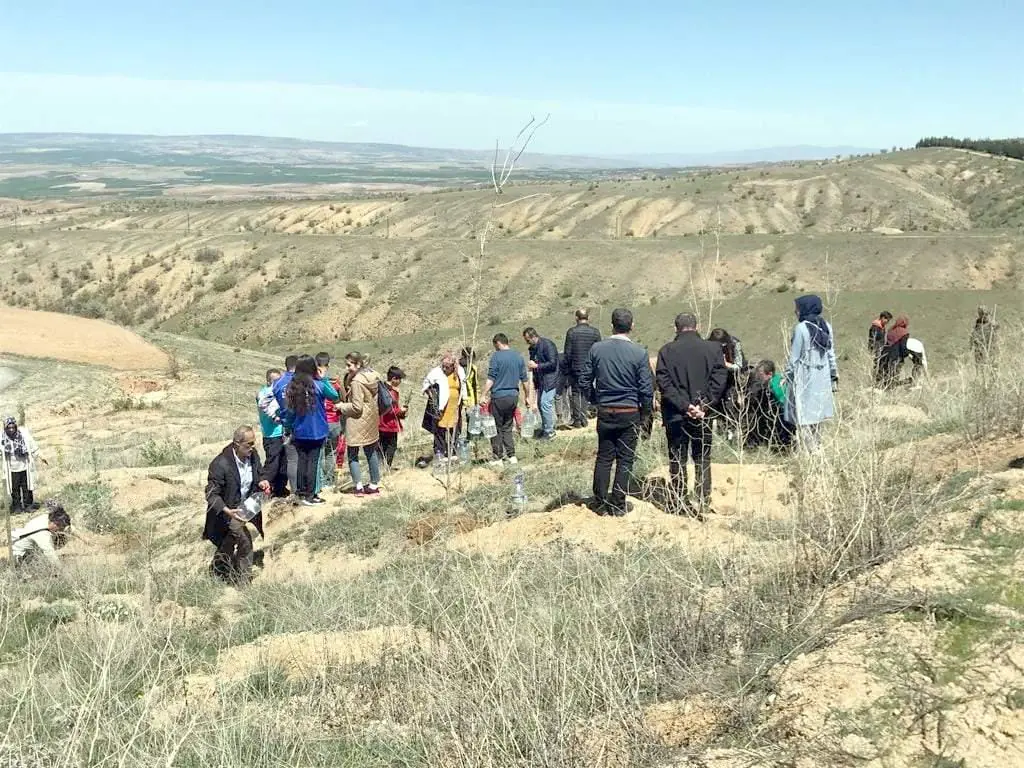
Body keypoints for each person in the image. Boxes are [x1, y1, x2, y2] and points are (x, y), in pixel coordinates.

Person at [580, 308, 654, 516]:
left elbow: (584, 380)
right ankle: (618, 503)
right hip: (630, 410)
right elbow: (646, 389)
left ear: (612, 325)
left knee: (604, 457)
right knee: (625, 459)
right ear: (632, 326)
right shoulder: (639, 352)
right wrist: (645, 413)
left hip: (605, 410)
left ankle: (600, 501)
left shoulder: (597, 349)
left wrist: (596, 400)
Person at [655, 313, 727, 515]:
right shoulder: (713, 349)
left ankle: (679, 501)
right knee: (702, 457)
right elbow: (720, 379)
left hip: (676, 414)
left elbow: (665, 384)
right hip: (703, 415)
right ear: (698, 326)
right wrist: (702, 405)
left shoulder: (666, 351)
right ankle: (703, 500)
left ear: (675, 327)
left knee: (677, 458)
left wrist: (685, 406)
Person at [203, 426, 271, 585]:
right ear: (236, 444)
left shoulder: (252, 455)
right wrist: (227, 510)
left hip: (247, 507)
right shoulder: (220, 464)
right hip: (228, 511)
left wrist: (262, 480)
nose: (252, 447)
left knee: (229, 541)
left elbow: (259, 473)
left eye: (254, 443)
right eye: (248, 444)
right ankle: (243, 583)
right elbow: (211, 493)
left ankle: (219, 569)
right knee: (245, 542)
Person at [282, 355, 340, 506]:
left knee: (302, 461)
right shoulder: (318, 385)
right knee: (313, 462)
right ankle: (311, 495)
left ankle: (301, 493)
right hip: (317, 430)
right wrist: (324, 379)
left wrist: (288, 427)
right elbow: (334, 395)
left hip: (299, 430)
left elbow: (290, 412)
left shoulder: (293, 386)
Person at [784, 295, 838, 452]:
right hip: (823, 376)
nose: (795, 311)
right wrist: (834, 374)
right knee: (817, 414)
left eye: (798, 308)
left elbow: (794, 358)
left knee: (804, 414)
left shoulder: (801, 329)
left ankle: (808, 451)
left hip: (805, 375)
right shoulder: (826, 326)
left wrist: (788, 376)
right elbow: (830, 353)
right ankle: (817, 447)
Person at [336, 352, 384, 496]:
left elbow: (357, 407)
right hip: (371, 419)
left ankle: (358, 487)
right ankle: (374, 484)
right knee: (371, 452)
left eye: (349, 365)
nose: (347, 368)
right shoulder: (373, 376)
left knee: (352, 454)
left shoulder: (357, 382)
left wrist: (341, 406)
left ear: (358, 364)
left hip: (357, 421)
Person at [481, 333, 531, 466]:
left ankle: (497, 457)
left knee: (496, 427)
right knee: (508, 426)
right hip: (513, 397)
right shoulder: (518, 357)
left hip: (499, 396)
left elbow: (491, 378)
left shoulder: (496, 357)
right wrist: (527, 397)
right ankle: (511, 455)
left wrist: (483, 394)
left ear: (498, 343)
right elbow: (525, 380)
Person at [421, 353, 467, 465]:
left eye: (448, 367)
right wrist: (432, 395)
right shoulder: (436, 372)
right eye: (444, 366)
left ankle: (453, 452)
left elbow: (464, 386)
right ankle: (439, 452)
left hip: (455, 405)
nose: (445, 369)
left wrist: (465, 400)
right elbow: (426, 384)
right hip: (441, 406)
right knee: (440, 429)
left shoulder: (460, 372)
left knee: (454, 429)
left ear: (453, 366)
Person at [562, 308, 602, 428]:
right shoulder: (595, 332)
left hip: (576, 367)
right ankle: (584, 418)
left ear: (576, 318)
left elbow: (567, 353)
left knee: (575, 392)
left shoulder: (571, 332)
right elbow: (599, 351)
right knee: (586, 390)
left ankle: (578, 420)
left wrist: (566, 368)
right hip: (590, 367)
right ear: (588, 318)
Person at [706, 328, 745, 441]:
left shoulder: (734, 344)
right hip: (713, 381)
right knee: (713, 408)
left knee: (730, 408)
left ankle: (730, 437)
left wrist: (725, 364)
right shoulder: (707, 345)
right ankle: (716, 437)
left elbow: (739, 366)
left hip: (731, 380)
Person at [11, 499, 71, 570]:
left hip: (31, 545)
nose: (59, 530)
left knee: (63, 534)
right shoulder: (42, 534)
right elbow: (51, 554)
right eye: (59, 528)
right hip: (20, 554)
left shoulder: (50, 518)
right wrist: (64, 572)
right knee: (43, 567)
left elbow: (72, 529)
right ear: (55, 523)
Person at [745, 360, 792, 449]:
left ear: (769, 374)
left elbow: (782, 402)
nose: (758, 376)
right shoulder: (774, 380)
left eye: (761, 374)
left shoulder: (775, 385)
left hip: (784, 415)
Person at [523, 327, 559, 440]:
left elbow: (553, 363)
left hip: (551, 379)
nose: (527, 343)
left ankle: (550, 432)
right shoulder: (532, 349)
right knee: (540, 404)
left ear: (534, 336)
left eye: (528, 340)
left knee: (545, 404)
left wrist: (537, 366)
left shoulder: (547, 345)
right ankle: (545, 428)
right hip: (540, 380)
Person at [256, 369, 288, 498]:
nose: (278, 383)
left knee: (283, 463)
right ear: (268, 380)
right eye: (275, 380)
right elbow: (265, 406)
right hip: (271, 434)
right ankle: (265, 487)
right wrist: (277, 417)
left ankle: (280, 489)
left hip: (282, 432)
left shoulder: (277, 391)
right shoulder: (264, 393)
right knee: (272, 464)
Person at [2, 416, 44, 513]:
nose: (11, 429)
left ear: (16, 426)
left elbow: (33, 446)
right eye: (9, 428)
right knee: (14, 488)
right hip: (12, 468)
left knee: (27, 487)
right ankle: (17, 506)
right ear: (6, 428)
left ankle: (28, 505)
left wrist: (41, 456)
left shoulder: (23, 435)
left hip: (25, 466)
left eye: (13, 427)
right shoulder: (2, 438)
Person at [272, 354, 300, 496]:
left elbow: (269, 399)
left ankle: (295, 491)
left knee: (292, 460)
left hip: (286, 425)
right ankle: (307, 489)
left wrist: (276, 415)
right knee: (307, 458)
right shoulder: (301, 381)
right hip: (302, 423)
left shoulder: (277, 383)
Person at [316, 352, 345, 487]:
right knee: (331, 452)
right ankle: (329, 481)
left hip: (320, 422)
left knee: (320, 453)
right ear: (328, 364)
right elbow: (342, 400)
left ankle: (320, 482)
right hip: (334, 421)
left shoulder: (315, 381)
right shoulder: (335, 383)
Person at [379, 366, 408, 469]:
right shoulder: (390, 392)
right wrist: (400, 411)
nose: (400, 382)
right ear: (394, 379)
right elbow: (389, 409)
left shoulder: (382, 390)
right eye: (399, 379)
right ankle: (386, 467)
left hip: (381, 423)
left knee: (382, 446)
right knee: (391, 446)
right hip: (388, 424)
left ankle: (381, 467)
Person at [880, 315, 910, 388]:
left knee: (886, 377)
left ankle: (885, 389)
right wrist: (907, 354)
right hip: (896, 358)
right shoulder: (904, 333)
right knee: (894, 377)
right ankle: (907, 382)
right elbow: (903, 347)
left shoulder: (891, 330)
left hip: (885, 356)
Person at [459, 347, 481, 436]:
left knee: (471, 419)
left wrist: (477, 399)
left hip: (470, 398)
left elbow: (475, 385)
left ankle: (471, 437)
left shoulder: (473, 368)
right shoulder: (457, 367)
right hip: (459, 397)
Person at [868, 311, 893, 385]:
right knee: (876, 366)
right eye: (887, 320)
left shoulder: (882, 327)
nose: (887, 322)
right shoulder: (875, 327)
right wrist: (875, 350)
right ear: (882, 318)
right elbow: (873, 339)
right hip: (876, 350)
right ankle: (874, 382)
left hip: (881, 349)